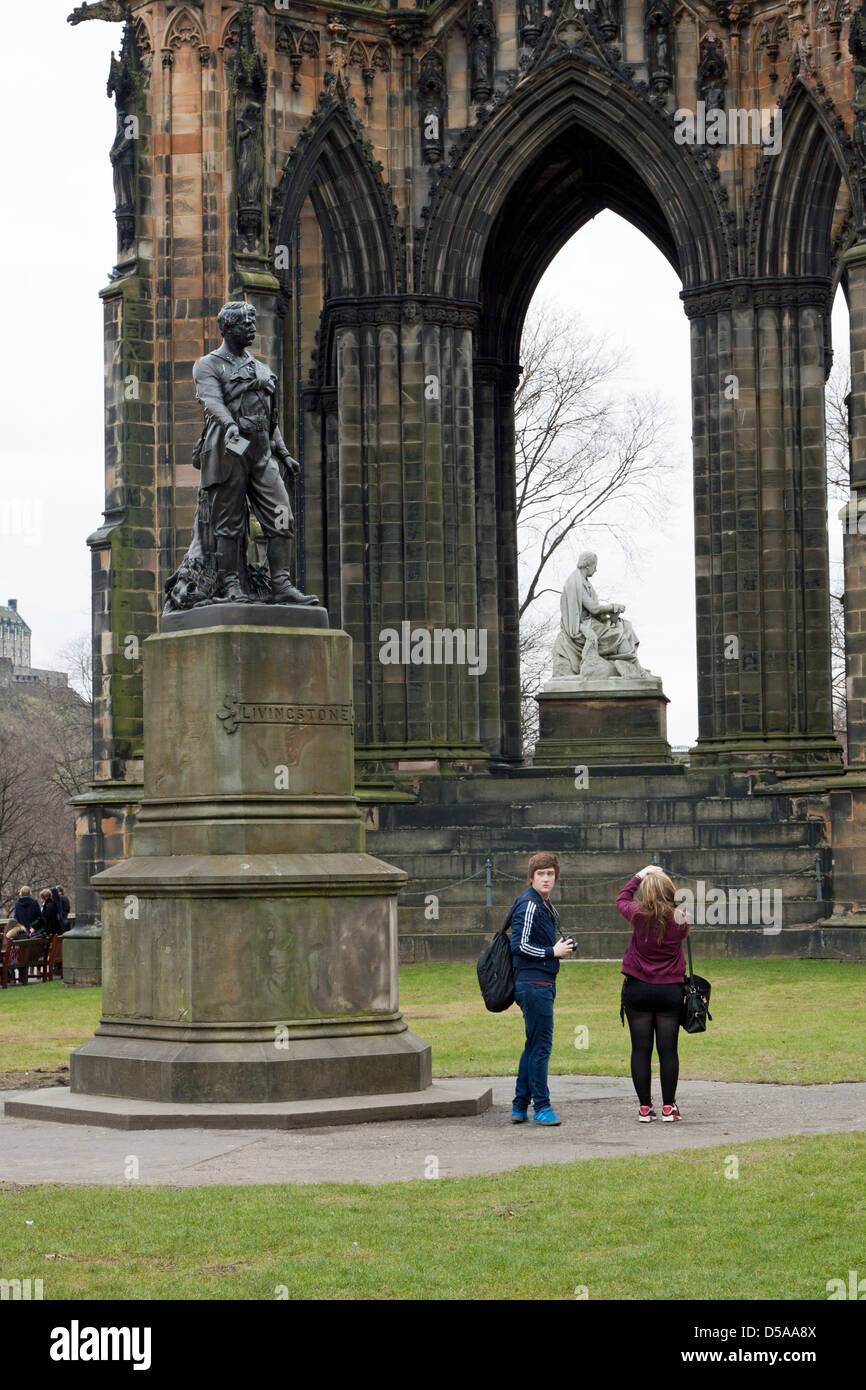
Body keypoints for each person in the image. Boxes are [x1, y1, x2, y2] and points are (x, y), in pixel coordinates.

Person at [617, 864, 690, 1122]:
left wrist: (639, 875)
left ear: (645, 894)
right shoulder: (680, 919)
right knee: (668, 1051)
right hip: (669, 989)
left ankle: (645, 1108)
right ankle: (669, 1107)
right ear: (670, 891)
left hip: (638, 987)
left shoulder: (637, 915)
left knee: (640, 1050)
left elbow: (622, 899)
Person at [510, 851, 575, 1126]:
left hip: (542, 983)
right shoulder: (529, 905)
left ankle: (519, 1105)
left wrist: (562, 947)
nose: (546, 879)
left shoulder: (545, 905)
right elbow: (519, 946)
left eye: (550, 874)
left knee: (533, 1044)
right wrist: (552, 951)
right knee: (541, 1047)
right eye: (541, 874)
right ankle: (543, 1107)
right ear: (531, 877)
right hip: (532, 984)